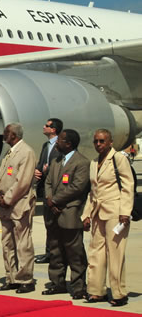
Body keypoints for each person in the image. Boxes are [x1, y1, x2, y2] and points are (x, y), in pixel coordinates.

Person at [82, 129, 133, 306]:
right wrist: (86, 214)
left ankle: (119, 293)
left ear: (110, 142)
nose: (98, 144)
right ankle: (96, 291)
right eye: (96, 141)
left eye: (102, 141)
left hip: (115, 212)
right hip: (97, 212)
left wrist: (125, 212)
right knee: (96, 252)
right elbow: (92, 192)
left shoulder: (119, 159)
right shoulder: (94, 162)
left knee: (116, 253)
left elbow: (128, 185)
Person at [42, 129, 89, 299]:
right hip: (53, 213)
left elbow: (77, 187)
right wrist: (49, 199)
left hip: (69, 212)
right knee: (55, 250)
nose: (57, 143)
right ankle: (57, 283)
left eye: (60, 140)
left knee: (74, 252)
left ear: (68, 143)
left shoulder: (81, 163)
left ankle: (78, 287)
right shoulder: (56, 161)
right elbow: (47, 182)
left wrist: (55, 200)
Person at [0, 123, 36, 293]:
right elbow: (0, 176)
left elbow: (23, 181)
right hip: (5, 205)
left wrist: (9, 198)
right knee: (7, 243)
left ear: (14, 135)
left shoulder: (26, 152)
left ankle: (25, 279)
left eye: (6, 132)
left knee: (22, 243)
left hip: (19, 204)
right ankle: (11, 277)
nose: (3, 135)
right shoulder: (9, 152)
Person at [34, 117, 63, 264]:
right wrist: (37, 172)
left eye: (47, 126)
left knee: (56, 224)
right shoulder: (46, 145)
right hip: (46, 190)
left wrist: (48, 170)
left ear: (53, 129)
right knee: (48, 223)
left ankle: (56, 253)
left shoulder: (61, 144)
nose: (44, 127)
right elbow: (41, 163)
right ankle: (49, 253)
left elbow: (62, 166)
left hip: (56, 190)